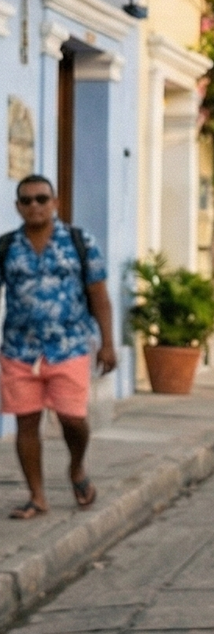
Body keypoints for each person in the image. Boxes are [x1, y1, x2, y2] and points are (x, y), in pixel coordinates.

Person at [0, 175, 116, 519]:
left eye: (41, 198)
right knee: (26, 423)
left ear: (55, 202)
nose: (34, 205)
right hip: (19, 350)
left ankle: (76, 468)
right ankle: (37, 497)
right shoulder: (7, 247)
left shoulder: (79, 241)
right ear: (18, 206)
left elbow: (99, 295)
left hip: (70, 346)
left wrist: (107, 344)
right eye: (27, 200)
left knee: (72, 418)